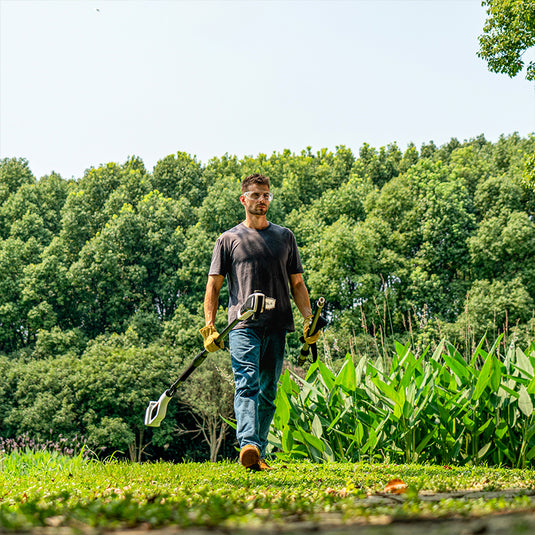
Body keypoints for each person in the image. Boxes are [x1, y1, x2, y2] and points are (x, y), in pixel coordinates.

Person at [200, 173, 320, 471]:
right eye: (255, 195)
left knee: (268, 392)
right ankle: (248, 443)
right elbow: (213, 286)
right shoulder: (228, 240)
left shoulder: (284, 237)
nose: (262, 200)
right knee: (247, 383)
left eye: (266, 195)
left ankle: (258, 454)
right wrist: (209, 326)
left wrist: (309, 320)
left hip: (278, 324)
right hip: (243, 325)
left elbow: (298, 284)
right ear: (244, 199)